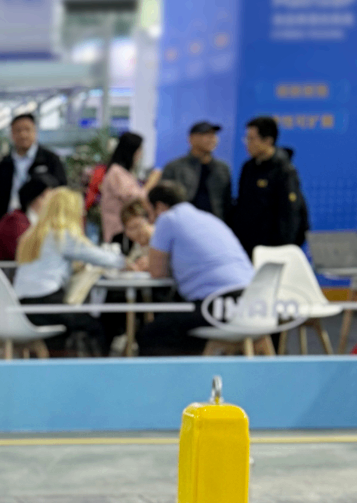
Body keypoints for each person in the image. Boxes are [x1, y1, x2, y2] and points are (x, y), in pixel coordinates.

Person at [123, 182, 254, 354]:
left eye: (149, 213)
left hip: (219, 306)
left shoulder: (167, 219)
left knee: (150, 334)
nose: (151, 220)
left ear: (159, 207)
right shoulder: (208, 218)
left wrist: (147, 264)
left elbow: (158, 272)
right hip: (253, 303)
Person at [13, 185, 129, 352]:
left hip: (22, 307)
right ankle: (100, 367)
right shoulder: (62, 236)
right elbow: (102, 257)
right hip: (46, 304)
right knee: (96, 327)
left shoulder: (32, 235)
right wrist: (128, 262)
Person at [235, 115, 308, 254]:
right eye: (246, 138)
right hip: (248, 248)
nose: (247, 143)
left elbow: (290, 214)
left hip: (274, 249)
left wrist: (283, 250)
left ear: (268, 141)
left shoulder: (284, 170)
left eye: (252, 139)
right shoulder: (248, 167)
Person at [0, 112, 67, 217]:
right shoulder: (5, 163)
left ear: (35, 131)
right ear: (12, 134)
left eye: (27, 129)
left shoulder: (50, 159)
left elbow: (62, 189)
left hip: (42, 219)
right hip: (10, 218)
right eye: (18, 130)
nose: (23, 135)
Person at [160, 121, 233, 222]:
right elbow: (164, 200)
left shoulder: (222, 168)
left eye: (213, 135)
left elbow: (227, 203)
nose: (212, 138)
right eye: (205, 134)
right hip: (183, 221)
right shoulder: (174, 167)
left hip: (214, 222)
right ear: (191, 139)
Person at [97, 131, 159, 243]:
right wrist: (152, 181)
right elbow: (136, 198)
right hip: (120, 232)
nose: (140, 155)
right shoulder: (116, 173)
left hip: (125, 232)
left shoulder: (122, 173)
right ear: (131, 151)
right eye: (139, 151)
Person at [0, 170, 55, 264]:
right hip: (7, 272)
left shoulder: (27, 221)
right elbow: (28, 256)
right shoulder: (15, 222)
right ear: (38, 198)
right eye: (51, 199)